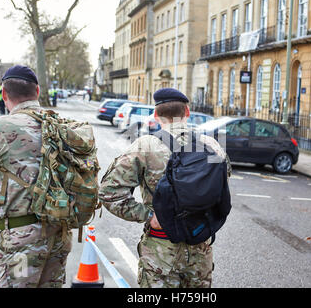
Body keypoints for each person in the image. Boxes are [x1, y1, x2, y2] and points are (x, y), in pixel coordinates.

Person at [99, 88, 231, 288]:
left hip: (161, 248)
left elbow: (109, 193)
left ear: (155, 114)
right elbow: (221, 188)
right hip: (200, 246)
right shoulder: (212, 145)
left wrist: (149, 215)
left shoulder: (145, 145)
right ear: (187, 112)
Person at [0, 65, 72, 288]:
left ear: (4, 94)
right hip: (59, 236)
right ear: (37, 92)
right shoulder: (60, 124)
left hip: (22, 242)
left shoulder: (0, 128)